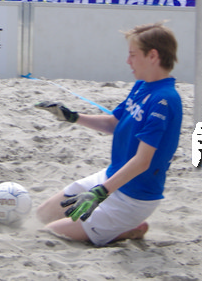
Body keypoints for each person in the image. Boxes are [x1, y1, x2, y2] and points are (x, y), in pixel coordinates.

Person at [34, 22, 183, 246]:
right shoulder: (142, 86)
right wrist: (73, 117)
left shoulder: (164, 100)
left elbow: (142, 162)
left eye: (132, 54)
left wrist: (100, 193)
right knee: (42, 215)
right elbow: (114, 123)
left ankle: (124, 230)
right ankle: (117, 228)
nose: (128, 61)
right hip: (110, 178)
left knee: (50, 233)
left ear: (153, 56)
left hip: (132, 198)